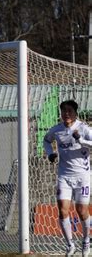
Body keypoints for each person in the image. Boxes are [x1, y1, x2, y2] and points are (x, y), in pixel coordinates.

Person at [43, 100, 92, 257]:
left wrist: (80, 140)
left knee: (81, 210)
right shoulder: (57, 130)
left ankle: (86, 241)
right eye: (64, 111)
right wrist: (50, 153)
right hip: (64, 176)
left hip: (83, 176)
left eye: (69, 111)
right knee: (63, 210)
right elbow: (46, 140)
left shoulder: (84, 129)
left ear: (75, 113)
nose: (66, 114)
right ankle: (70, 245)